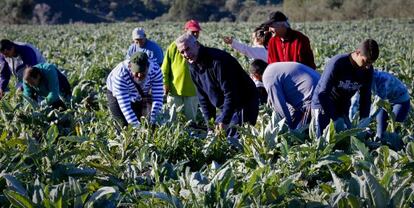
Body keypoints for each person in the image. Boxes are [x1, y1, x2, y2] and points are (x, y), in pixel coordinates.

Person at [175, 33, 259, 138]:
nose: (186, 54)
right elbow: (203, 99)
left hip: (244, 104)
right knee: (215, 134)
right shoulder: (193, 64)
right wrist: (210, 126)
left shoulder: (218, 61)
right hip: (227, 107)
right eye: (182, 52)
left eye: (187, 49)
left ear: (196, 44)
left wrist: (224, 121)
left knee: (233, 141)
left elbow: (231, 93)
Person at [311, 39, 379, 137]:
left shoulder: (368, 70)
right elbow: (323, 94)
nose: (368, 66)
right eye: (366, 61)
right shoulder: (338, 63)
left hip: (342, 108)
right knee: (323, 143)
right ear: (357, 52)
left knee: (345, 142)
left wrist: (364, 119)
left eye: (371, 63)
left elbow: (366, 96)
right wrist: (335, 118)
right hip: (323, 106)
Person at [350, 70, 410, 143]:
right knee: (380, 135)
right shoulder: (361, 80)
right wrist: (351, 122)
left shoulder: (382, 80)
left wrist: (364, 123)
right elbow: (355, 100)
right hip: (385, 102)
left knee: (392, 132)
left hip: (400, 101)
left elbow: (378, 104)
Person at [106, 52, 163, 128]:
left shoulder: (155, 71)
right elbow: (125, 106)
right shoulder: (120, 74)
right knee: (123, 125)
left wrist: (153, 121)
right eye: (137, 72)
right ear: (130, 66)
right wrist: (136, 127)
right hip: (116, 93)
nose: (139, 75)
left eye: (142, 72)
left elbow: (158, 98)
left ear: (148, 67)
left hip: (139, 93)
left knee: (143, 121)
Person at [161, 20, 201, 122]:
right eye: (193, 32)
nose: (195, 34)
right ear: (185, 30)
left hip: (192, 90)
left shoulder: (198, 47)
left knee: (191, 121)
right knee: (171, 120)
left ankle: (193, 136)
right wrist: (165, 84)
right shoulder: (173, 46)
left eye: (197, 32)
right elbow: (165, 68)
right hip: (174, 90)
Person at [263, 62, 320, 129]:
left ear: (256, 75)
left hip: (312, 99)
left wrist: (288, 128)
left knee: (301, 133)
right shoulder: (274, 68)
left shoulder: (267, 77)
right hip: (322, 89)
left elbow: (280, 107)